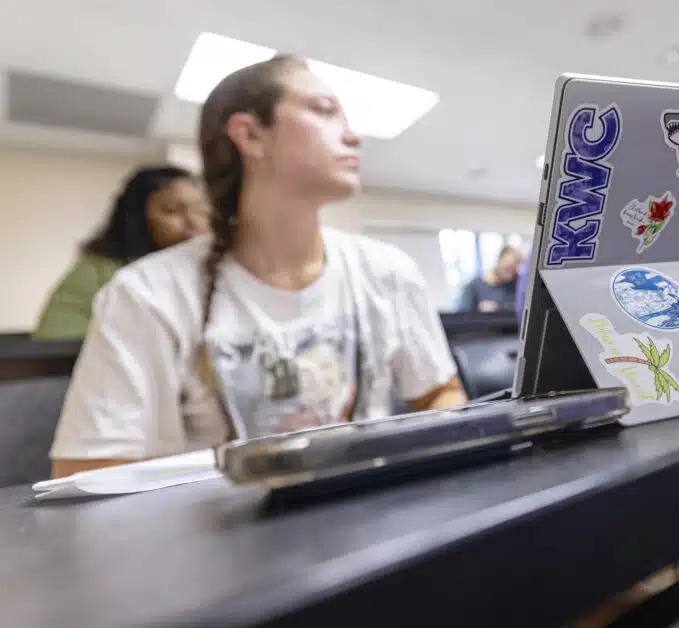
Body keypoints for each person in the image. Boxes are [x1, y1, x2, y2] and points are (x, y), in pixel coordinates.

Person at [50, 55, 467, 478]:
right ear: (250, 135)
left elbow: (440, 395)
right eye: (323, 110)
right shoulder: (145, 295)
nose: (353, 136)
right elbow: (85, 473)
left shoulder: (388, 272)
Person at [33, 165, 210, 340]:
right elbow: (53, 343)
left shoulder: (210, 268)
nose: (194, 222)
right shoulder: (100, 270)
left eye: (201, 209)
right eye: (172, 211)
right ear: (137, 218)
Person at [458, 245, 522, 313]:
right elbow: (462, 314)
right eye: (507, 268)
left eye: (514, 271)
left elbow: (521, 306)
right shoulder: (474, 286)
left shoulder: (515, 285)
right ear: (499, 261)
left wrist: (498, 306)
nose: (510, 275)